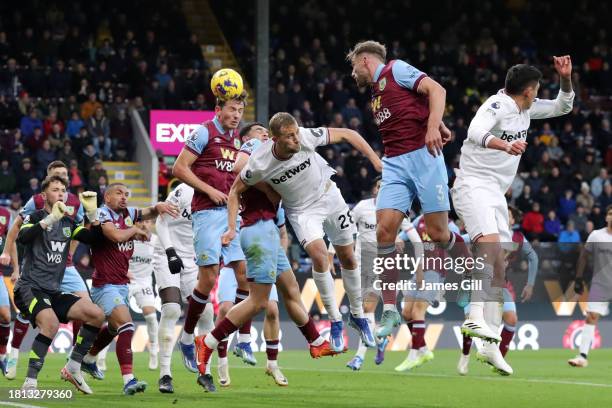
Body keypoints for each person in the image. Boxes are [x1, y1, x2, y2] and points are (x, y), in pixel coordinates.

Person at [195, 121, 345, 388]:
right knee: (258, 302)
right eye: (259, 131)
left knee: (291, 292)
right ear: (247, 138)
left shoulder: (269, 153)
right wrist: (237, 221)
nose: (263, 133)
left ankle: (316, 342)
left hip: (269, 232)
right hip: (258, 230)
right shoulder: (254, 149)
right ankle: (207, 342)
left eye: (266, 131)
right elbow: (238, 169)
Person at [451, 56, 574, 375]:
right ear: (530, 90)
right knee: (490, 248)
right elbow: (474, 132)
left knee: (498, 266)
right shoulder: (496, 105)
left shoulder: (527, 108)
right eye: (539, 88)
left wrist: (566, 80)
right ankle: (474, 319)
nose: (539, 93)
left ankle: (488, 347)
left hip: (495, 193)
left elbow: (563, 107)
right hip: (472, 184)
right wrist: (503, 147)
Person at [347, 40, 468, 336]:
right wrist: (432, 120)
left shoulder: (395, 69)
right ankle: (389, 311)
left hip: (424, 159)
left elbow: (436, 90)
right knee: (383, 232)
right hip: (395, 165)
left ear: (365, 61)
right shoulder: (376, 94)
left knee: (439, 234)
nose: (352, 75)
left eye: (353, 67)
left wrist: (432, 126)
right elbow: (415, 107)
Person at [235, 112, 381, 352]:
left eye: (295, 133)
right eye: (289, 136)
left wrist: (375, 161)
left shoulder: (305, 136)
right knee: (319, 255)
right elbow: (236, 185)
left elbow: (349, 133)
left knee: (348, 257)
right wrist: (234, 223)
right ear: (274, 139)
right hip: (302, 211)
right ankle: (335, 320)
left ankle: (357, 315)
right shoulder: (260, 162)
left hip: (330, 195)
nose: (296, 140)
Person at [172, 92, 253, 372]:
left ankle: (240, 337)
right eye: (232, 109)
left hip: (230, 215)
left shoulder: (236, 140)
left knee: (244, 274)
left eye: (240, 110)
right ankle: (185, 338)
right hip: (206, 213)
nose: (236, 115)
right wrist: (208, 190)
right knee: (208, 278)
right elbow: (179, 168)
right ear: (219, 109)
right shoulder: (203, 131)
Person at [79, 183, 178, 395]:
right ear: (106, 197)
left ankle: (88, 359)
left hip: (122, 284)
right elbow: (116, 236)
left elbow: (148, 211)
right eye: (119, 193)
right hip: (104, 284)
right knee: (127, 325)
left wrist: (159, 206)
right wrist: (136, 229)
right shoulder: (102, 214)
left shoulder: (128, 213)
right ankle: (129, 379)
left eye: (127, 194)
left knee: (114, 328)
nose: (124, 197)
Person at [1, 161, 95, 380]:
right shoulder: (36, 201)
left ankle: (75, 363)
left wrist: (69, 254)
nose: (60, 183)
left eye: (64, 178)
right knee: (28, 312)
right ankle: (14, 353)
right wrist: (7, 252)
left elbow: (81, 232)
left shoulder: (75, 202)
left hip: (65, 265)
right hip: (38, 263)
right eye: (56, 176)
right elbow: (18, 228)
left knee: (88, 308)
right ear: (47, 179)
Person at [340, 177, 423, 371]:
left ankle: (359, 357)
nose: (381, 189)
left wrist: (419, 268)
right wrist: (333, 252)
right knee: (360, 311)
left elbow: (417, 241)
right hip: (360, 266)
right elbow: (344, 229)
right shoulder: (362, 207)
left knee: (367, 308)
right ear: (374, 189)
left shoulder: (396, 211)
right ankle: (380, 339)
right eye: (379, 186)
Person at [458, 206, 539, 375]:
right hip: (476, 282)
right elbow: (460, 240)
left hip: (500, 285)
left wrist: (530, 284)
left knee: (511, 319)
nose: (502, 217)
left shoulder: (517, 238)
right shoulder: (486, 233)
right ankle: (464, 357)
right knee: (470, 320)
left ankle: (498, 359)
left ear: (512, 220)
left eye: (507, 215)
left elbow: (533, 257)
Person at [154, 182, 215, 393]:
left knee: (207, 312)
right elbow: (160, 222)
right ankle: (165, 375)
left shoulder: (220, 194)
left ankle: (205, 372)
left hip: (191, 259)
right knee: (171, 309)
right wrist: (170, 251)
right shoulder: (184, 190)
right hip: (166, 253)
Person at [568, 205, 612, 368]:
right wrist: (578, 279)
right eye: (609, 214)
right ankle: (582, 356)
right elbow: (584, 256)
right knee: (591, 316)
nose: (611, 217)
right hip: (601, 283)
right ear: (606, 217)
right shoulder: (596, 235)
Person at [0, 205, 12, 374]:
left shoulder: (5, 214)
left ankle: (2, 356)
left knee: (5, 315)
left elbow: (10, 240)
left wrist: (16, 268)